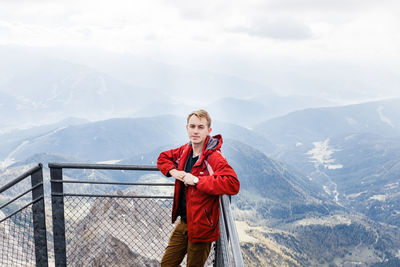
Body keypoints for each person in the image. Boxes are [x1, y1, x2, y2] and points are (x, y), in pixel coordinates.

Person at [157, 109, 240, 267]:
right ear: (187, 128)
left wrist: (196, 180)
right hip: (184, 222)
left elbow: (232, 183)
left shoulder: (213, 156)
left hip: (202, 227)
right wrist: (175, 172)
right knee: (166, 264)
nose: (195, 131)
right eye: (192, 126)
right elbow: (163, 158)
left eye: (200, 127)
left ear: (208, 131)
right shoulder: (185, 150)